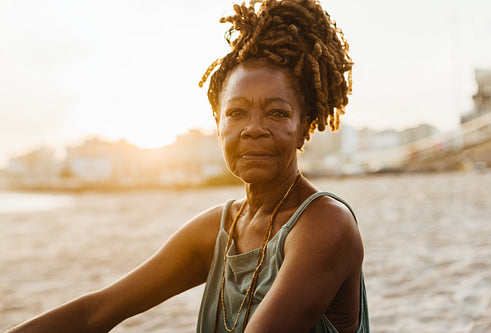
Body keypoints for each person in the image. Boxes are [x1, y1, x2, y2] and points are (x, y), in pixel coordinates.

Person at [6, 0, 369, 332]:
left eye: (276, 113)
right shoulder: (219, 228)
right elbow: (98, 312)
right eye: (236, 113)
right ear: (218, 124)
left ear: (304, 125)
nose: (253, 128)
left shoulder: (325, 226)